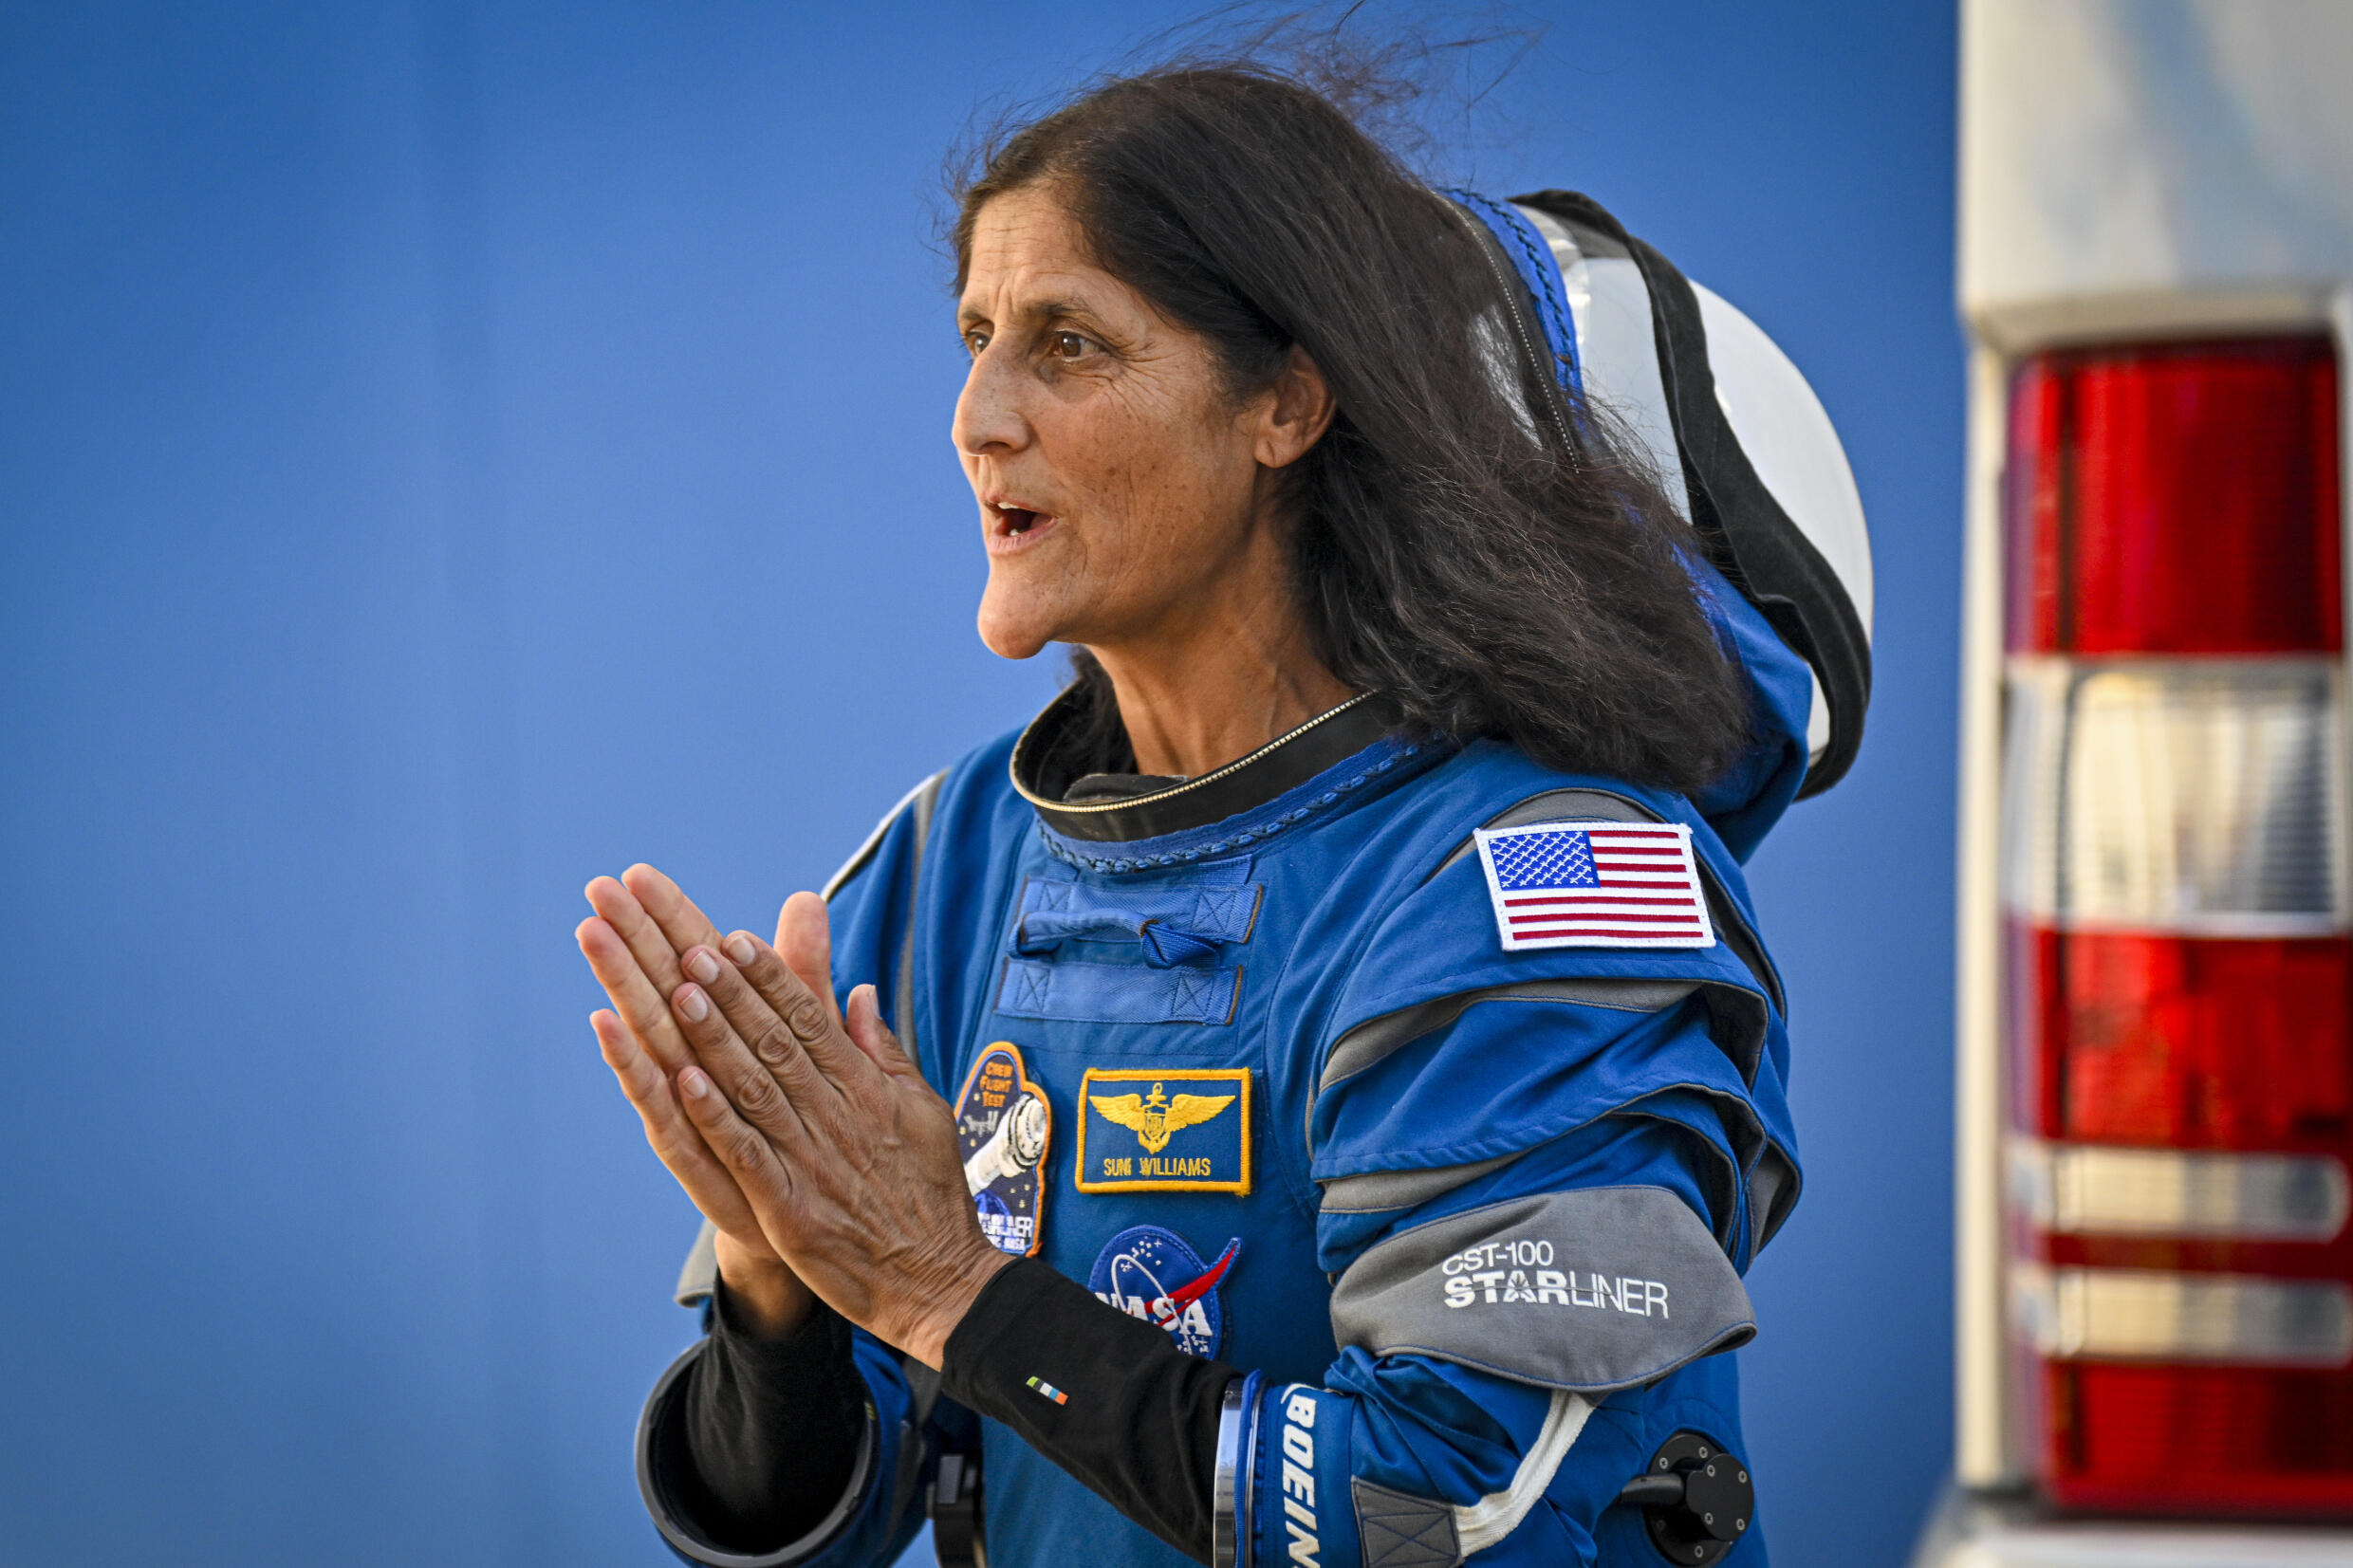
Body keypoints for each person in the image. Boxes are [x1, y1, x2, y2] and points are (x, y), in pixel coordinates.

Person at [578, 59, 1816, 1568]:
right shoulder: (952, 861)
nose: (978, 417)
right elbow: (815, 1522)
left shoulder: (1538, 880)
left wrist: (946, 1288)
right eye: (975, 340)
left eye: (1068, 345)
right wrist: (780, 1292)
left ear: (1287, 402)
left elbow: (1440, 1504)